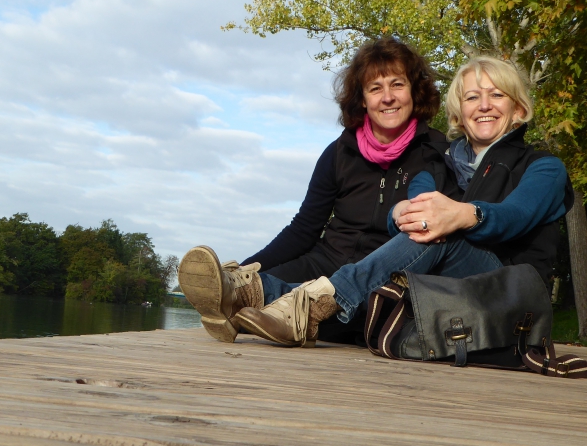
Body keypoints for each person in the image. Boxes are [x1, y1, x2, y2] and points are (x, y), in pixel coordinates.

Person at [235, 55, 574, 347]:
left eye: (497, 95)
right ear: (459, 114)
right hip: (446, 295)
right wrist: (398, 213)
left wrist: (462, 215)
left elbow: (516, 215)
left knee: (434, 231)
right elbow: (412, 207)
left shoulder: (544, 167)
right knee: (401, 265)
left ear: (518, 109)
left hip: (509, 293)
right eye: (472, 97)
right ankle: (249, 294)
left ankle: (273, 295)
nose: (484, 105)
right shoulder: (436, 166)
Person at [177, 37, 450, 342]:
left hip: (380, 275)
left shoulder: (438, 153)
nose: (387, 97)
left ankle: (263, 309)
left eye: (397, 85)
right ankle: (236, 290)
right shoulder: (339, 152)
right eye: (375, 88)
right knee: (257, 284)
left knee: (357, 305)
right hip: (324, 261)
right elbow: (303, 229)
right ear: (362, 99)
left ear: (414, 90)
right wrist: (246, 270)